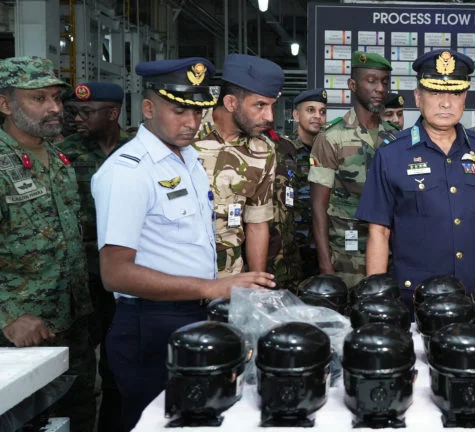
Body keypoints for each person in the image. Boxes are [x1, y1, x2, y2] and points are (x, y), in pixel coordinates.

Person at [92, 57, 275, 431]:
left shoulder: (187, 160)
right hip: (150, 323)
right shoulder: (129, 171)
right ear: (148, 108)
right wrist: (211, 287)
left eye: (197, 111)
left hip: (192, 315)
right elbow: (115, 274)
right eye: (179, 111)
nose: (191, 122)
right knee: (152, 421)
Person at [356, 50, 475, 316]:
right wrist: (377, 299)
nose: (445, 103)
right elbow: (379, 232)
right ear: (418, 97)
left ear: (465, 97)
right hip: (416, 298)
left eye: (455, 93)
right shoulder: (391, 154)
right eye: (435, 93)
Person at [0, 56, 96, 432]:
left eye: (56, 97)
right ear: (5, 104)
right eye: (38, 98)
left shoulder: (58, 159)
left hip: (72, 326)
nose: (55, 107)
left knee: (79, 417)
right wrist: (7, 317)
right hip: (20, 338)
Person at [56, 81, 130, 431]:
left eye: (87, 112)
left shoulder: (136, 151)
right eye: (75, 112)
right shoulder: (63, 154)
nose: (78, 119)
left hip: (127, 274)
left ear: (112, 113)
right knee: (80, 364)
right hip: (82, 275)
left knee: (120, 361)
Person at [309, 51, 398, 287]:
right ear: (352, 85)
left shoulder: (394, 137)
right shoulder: (331, 137)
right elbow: (318, 206)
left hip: (389, 255)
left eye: (385, 82)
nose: (380, 89)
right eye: (371, 81)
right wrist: (325, 266)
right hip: (345, 258)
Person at [194, 54, 281, 277]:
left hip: (230, 276)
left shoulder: (263, 151)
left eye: (272, 106)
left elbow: (257, 223)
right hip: (181, 273)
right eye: (260, 105)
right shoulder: (188, 132)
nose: (269, 116)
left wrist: (255, 284)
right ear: (231, 103)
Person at [289, 88, 327, 279]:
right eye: (310, 110)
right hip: (291, 249)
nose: (317, 116)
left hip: (323, 247)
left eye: (322, 112)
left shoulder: (329, 152)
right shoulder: (282, 151)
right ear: (296, 115)